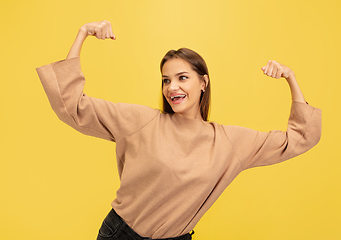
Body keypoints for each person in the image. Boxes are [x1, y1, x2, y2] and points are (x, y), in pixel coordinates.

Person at [36, 20, 322, 240]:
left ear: (203, 82)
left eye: (182, 77)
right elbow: (72, 105)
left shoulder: (229, 142)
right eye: (166, 80)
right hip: (120, 234)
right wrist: (82, 33)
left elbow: (299, 139)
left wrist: (290, 78)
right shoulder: (141, 121)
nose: (172, 87)